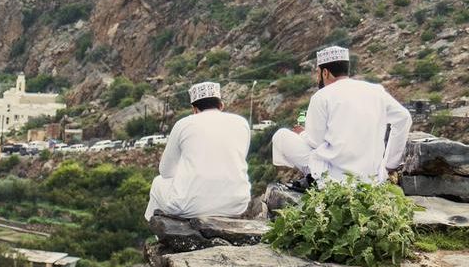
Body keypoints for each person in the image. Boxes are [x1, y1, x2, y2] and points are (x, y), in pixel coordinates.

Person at [270, 46, 411, 184]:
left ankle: (314, 178)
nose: (317, 77)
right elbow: (404, 118)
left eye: (318, 73)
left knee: (281, 136)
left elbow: (315, 142)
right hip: (371, 178)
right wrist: (390, 164)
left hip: (334, 177)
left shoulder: (321, 96)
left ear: (325, 73)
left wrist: (302, 134)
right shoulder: (376, 91)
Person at [145, 81, 253, 220]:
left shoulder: (183, 124)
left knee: (158, 182)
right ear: (221, 105)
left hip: (190, 206)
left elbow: (165, 171)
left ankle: (161, 236)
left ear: (194, 109)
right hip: (236, 204)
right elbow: (239, 158)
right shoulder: (241, 122)